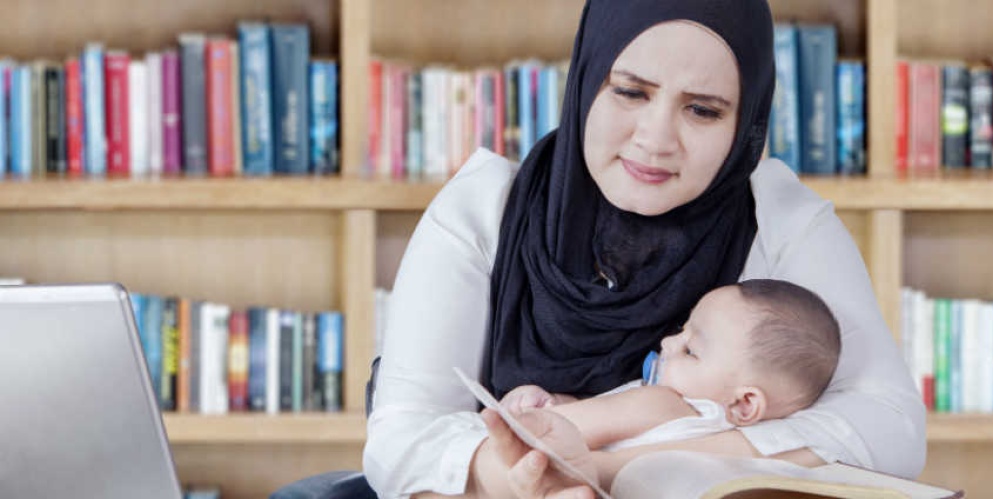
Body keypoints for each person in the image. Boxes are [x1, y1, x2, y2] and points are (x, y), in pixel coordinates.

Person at [272, 0, 927, 497]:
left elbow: (894, 427)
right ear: (588, 79)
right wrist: (522, 477)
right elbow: (400, 435)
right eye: (630, 91)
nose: (655, 138)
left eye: (703, 110)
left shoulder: (779, 220)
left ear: (747, 119)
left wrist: (626, 467)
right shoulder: (483, 207)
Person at [499, 278, 842, 460]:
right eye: (682, 330)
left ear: (744, 404)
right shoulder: (711, 428)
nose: (667, 344)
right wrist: (557, 402)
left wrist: (533, 413)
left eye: (690, 351)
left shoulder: (664, 403)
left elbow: (551, 433)